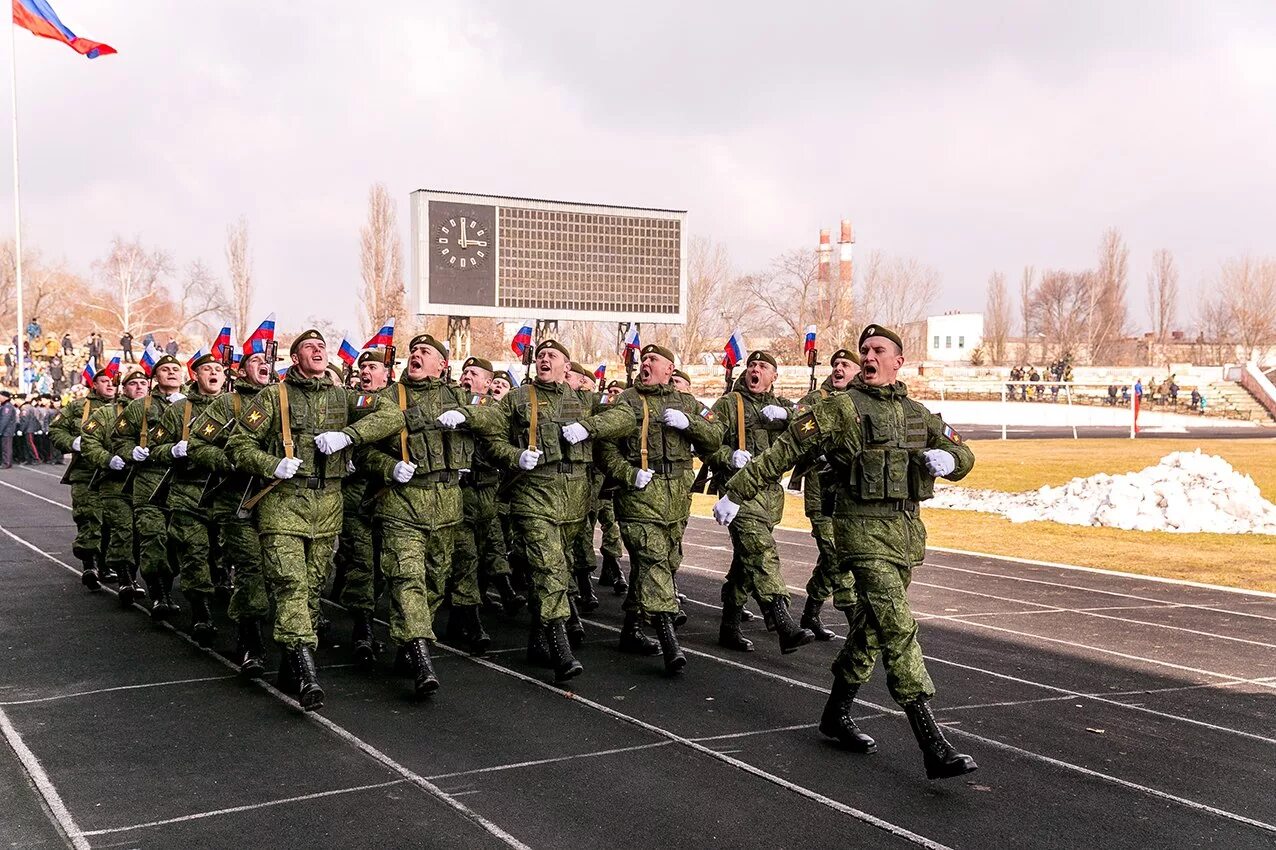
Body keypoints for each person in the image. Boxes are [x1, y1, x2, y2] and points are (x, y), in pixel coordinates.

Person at [714, 324, 978, 780]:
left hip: (906, 533)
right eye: (865, 350)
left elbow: (964, 452)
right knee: (897, 626)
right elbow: (783, 451)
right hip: (860, 531)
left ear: (899, 360)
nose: (870, 357)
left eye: (879, 351)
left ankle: (836, 714)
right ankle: (931, 741)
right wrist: (735, 492)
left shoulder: (918, 413)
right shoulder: (840, 409)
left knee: (871, 629)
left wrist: (952, 462)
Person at [227, 330, 402, 711]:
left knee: (312, 587)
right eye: (310, 346)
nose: (319, 350)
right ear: (295, 359)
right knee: (291, 584)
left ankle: (292, 658)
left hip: (328, 505)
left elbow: (391, 415)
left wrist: (349, 435)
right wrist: (272, 463)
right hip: (283, 504)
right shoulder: (274, 396)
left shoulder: (343, 397)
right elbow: (238, 445)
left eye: (322, 346)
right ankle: (308, 672)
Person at [470, 339, 632, 683]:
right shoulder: (519, 398)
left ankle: (538, 641)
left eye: (552, 356)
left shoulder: (585, 400)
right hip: (535, 495)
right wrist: (514, 456)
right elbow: (490, 428)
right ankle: (560, 648)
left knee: (560, 569)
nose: (544, 359)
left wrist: (589, 427)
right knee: (549, 569)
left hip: (574, 501)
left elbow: (625, 414)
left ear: (567, 367)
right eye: (541, 355)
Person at [356, 333, 480, 697]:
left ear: (442, 364)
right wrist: (389, 466)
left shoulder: (458, 396)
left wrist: (468, 413)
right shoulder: (387, 399)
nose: (416, 355)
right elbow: (364, 454)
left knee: (435, 581)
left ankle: (408, 643)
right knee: (406, 577)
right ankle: (423, 658)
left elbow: (494, 415)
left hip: (447, 505)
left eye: (425, 352)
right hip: (402, 503)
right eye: (414, 351)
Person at [597, 343, 721, 673]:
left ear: (669, 369)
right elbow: (605, 449)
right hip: (639, 497)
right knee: (652, 561)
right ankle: (668, 637)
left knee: (664, 562)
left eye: (654, 360)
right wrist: (627, 474)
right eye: (644, 359)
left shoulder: (686, 403)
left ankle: (631, 630)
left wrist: (688, 424)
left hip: (677, 499)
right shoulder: (626, 401)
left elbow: (716, 434)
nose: (646, 363)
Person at [707, 349, 814, 655]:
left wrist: (787, 416)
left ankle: (729, 625)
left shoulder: (781, 407)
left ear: (773, 375)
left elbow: (811, 425)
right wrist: (729, 456)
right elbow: (707, 443)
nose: (755, 370)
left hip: (770, 497)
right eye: (751, 365)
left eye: (762, 366)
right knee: (761, 552)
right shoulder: (730, 404)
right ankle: (783, 623)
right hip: (738, 494)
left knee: (746, 559)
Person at [187, 349, 275, 675]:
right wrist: (229, 461)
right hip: (236, 500)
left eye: (267, 361)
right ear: (238, 371)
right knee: (251, 567)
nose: (263, 365)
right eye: (255, 361)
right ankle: (251, 641)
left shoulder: (282, 401)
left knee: (276, 570)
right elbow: (198, 444)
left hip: (276, 501)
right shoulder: (227, 405)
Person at [151, 352, 228, 646]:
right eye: (206, 369)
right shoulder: (179, 410)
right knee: (194, 553)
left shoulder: (240, 408)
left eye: (218, 369)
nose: (213, 373)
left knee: (221, 554)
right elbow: (154, 449)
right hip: (188, 492)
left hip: (226, 493)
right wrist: (172, 450)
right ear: (195, 376)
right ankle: (201, 612)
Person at [793, 347, 863, 641]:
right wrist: (818, 452)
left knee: (831, 557)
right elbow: (794, 433)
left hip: (851, 493)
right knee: (836, 554)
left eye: (845, 365)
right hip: (821, 492)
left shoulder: (862, 402)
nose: (838, 369)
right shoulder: (814, 401)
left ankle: (810, 613)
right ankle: (854, 620)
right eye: (836, 364)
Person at [331, 348, 394, 669]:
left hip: (392, 498)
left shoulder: (398, 401)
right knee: (362, 563)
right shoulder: (353, 402)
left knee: (385, 567)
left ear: (388, 373)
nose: (367, 372)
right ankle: (363, 629)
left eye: (374, 367)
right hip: (356, 497)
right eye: (363, 367)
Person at [113, 354, 187, 620]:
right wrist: (131, 451)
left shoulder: (194, 405)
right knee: (153, 537)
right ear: (155, 377)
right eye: (165, 369)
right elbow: (119, 439)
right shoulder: (139, 407)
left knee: (178, 540)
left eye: (175, 369)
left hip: (185, 483)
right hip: (150, 480)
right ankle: (159, 593)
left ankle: (168, 585)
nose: (171, 373)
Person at [452, 355, 524, 620]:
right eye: (465, 372)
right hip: (461, 491)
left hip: (488, 490)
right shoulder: (452, 401)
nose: (467, 377)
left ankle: (481, 598)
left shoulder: (495, 409)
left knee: (490, 545)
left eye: (473, 373)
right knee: (466, 554)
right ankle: (469, 615)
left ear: (488, 381)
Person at [81, 367, 151, 606]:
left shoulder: (160, 412)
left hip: (149, 484)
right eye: (133, 384)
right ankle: (125, 579)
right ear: (124, 389)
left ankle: (133, 576)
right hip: (116, 484)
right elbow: (89, 440)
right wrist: (107, 459)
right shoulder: (106, 413)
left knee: (143, 533)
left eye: (143, 382)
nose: (139, 387)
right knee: (123, 529)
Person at [48, 371, 119, 586]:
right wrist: (73, 442)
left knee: (112, 520)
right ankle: (90, 565)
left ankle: (107, 564)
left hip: (115, 473)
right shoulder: (77, 407)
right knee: (88, 516)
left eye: (113, 382)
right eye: (104, 381)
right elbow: (56, 431)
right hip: (86, 472)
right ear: (94, 384)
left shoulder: (126, 407)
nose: (109, 385)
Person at [0, 390, 15, 468]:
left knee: (6, 447)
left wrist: (0, 430)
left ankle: (7, 463)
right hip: (6, 430)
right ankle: (6, 462)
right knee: (5, 447)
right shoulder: (5, 405)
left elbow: (4, 420)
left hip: (7, 431)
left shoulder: (7, 406)